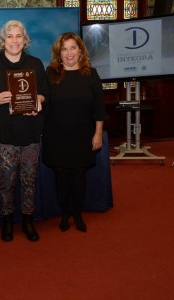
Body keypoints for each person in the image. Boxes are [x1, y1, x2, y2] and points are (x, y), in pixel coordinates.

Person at [0, 20, 48, 242]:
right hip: (5, 134)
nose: (14, 40)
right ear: (3, 40)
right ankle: (8, 222)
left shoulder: (35, 64)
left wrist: (38, 102)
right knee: (7, 181)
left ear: (25, 39)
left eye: (18, 36)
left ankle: (28, 221)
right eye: (9, 36)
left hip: (31, 132)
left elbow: (43, 93)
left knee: (30, 179)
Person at [42, 32, 109, 233]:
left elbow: (99, 108)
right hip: (56, 136)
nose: (69, 53)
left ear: (80, 50)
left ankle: (77, 214)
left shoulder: (91, 74)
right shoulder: (50, 74)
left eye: (73, 48)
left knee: (80, 176)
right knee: (61, 176)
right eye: (64, 49)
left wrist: (98, 134)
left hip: (83, 135)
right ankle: (64, 214)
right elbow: (42, 103)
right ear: (58, 53)